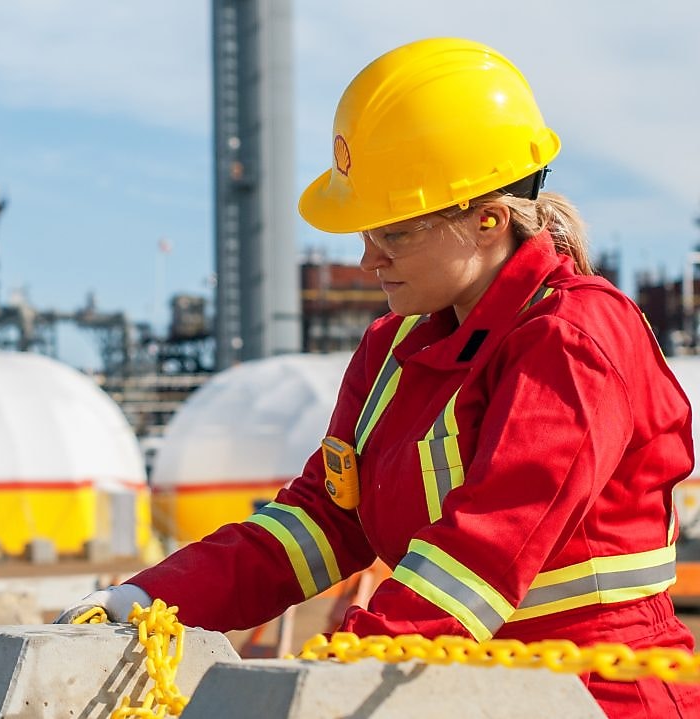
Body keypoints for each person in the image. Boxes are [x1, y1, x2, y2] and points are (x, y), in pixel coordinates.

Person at [58, 38, 700, 717]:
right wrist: (148, 599)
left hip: (598, 696)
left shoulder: (573, 340)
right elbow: (321, 521)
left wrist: (341, 667)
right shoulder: (392, 349)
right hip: (457, 687)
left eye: (394, 233)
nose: (367, 259)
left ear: (489, 220)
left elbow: (482, 550)